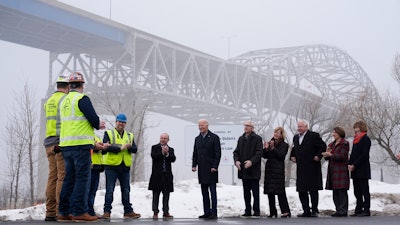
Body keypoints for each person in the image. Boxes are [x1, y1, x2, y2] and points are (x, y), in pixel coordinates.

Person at [58, 72, 106, 222]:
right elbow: (93, 119)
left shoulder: (64, 101)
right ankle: (80, 211)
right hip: (80, 145)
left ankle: (64, 211)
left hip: (66, 145)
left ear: (70, 85)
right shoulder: (82, 98)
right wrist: (99, 123)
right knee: (82, 178)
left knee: (69, 179)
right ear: (82, 85)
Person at [102, 113, 141, 219]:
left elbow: (135, 149)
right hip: (111, 166)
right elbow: (106, 147)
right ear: (116, 122)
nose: (121, 124)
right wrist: (121, 148)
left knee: (126, 190)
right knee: (110, 190)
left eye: (123, 122)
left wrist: (128, 147)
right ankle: (107, 211)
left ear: (125, 124)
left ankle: (128, 211)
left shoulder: (129, 135)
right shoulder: (108, 133)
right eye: (119, 122)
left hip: (124, 166)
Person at [43, 75, 69, 221]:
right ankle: (61, 210)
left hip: (48, 143)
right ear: (66, 87)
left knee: (52, 177)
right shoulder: (64, 100)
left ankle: (50, 212)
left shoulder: (49, 101)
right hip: (60, 142)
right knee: (62, 176)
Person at [290, 119, 326, 217]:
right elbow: (294, 148)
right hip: (301, 167)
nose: (299, 128)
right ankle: (306, 210)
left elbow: (322, 146)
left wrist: (318, 156)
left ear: (306, 127)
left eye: (301, 126)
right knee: (302, 190)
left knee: (313, 189)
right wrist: (292, 156)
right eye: (298, 127)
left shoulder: (314, 136)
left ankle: (314, 210)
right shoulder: (296, 138)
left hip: (312, 166)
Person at [192, 119, 221, 220]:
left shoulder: (214, 138)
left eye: (202, 125)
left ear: (207, 126)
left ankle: (214, 212)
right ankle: (206, 212)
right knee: (204, 192)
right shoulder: (197, 139)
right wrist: (194, 165)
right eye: (199, 125)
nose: (200, 127)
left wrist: (215, 166)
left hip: (211, 169)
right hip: (202, 169)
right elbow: (195, 153)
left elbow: (218, 154)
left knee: (212, 192)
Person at [233, 120, 263, 217]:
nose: (246, 127)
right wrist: (236, 161)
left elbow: (259, 153)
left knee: (255, 192)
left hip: (253, 170)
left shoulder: (258, 139)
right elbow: (236, 152)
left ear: (252, 128)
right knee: (246, 192)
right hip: (244, 170)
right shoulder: (241, 138)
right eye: (245, 125)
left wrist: (251, 161)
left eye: (248, 126)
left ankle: (257, 211)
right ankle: (248, 210)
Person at [262, 127, 291, 218]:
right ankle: (272, 212)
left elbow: (281, 156)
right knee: (270, 192)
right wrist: (266, 149)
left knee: (280, 191)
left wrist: (273, 148)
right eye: (275, 132)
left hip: (278, 170)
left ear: (282, 134)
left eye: (278, 133)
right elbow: (265, 156)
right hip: (270, 169)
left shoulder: (284, 145)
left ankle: (285, 211)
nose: (276, 134)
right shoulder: (271, 142)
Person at [322, 127, 350, 217]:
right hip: (333, 170)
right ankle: (338, 209)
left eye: (335, 132)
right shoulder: (331, 144)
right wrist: (326, 154)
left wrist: (331, 155)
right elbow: (327, 158)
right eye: (333, 132)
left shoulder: (344, 144)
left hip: (341, 170)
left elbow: (343, 156)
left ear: (339, 133)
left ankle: (343, 210)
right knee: (335, 191)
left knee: (342, 191)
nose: (333, 134)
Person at [148, 133, 176, 219]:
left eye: (165, 138)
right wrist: (162, 152)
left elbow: (173, 159)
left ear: (168, 140)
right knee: (156, 194)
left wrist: (167, 153)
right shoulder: (154, 147)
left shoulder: (171, 149)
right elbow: (154, 156)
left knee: (166, 195)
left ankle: (166, 212)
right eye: (161, 138)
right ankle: (155, 212)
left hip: (167, 176)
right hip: (157, 175)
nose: (163, 140)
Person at [348, 121, 371, 217]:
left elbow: (364, 155)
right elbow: (353, 154)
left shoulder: (366, 139)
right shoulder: (356, 140)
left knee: (364, 190)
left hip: (362, 168)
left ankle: (366, 209)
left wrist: (355, 164)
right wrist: (350, 164)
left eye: (356, 127)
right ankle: (358, 209)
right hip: (355, 169)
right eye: (355, 128)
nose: (355, 130)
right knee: (357, 191)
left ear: (361, 128)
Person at [87, 136, 110, 217]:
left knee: (93, 191)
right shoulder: (87, 136)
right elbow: (89, 147)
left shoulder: (96, 137)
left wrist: (104, 147)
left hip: (97, 166)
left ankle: (90, 210)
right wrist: (98, 147)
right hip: (90, 166)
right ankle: (87, 211)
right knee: (88, 190)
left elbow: (100, 151)